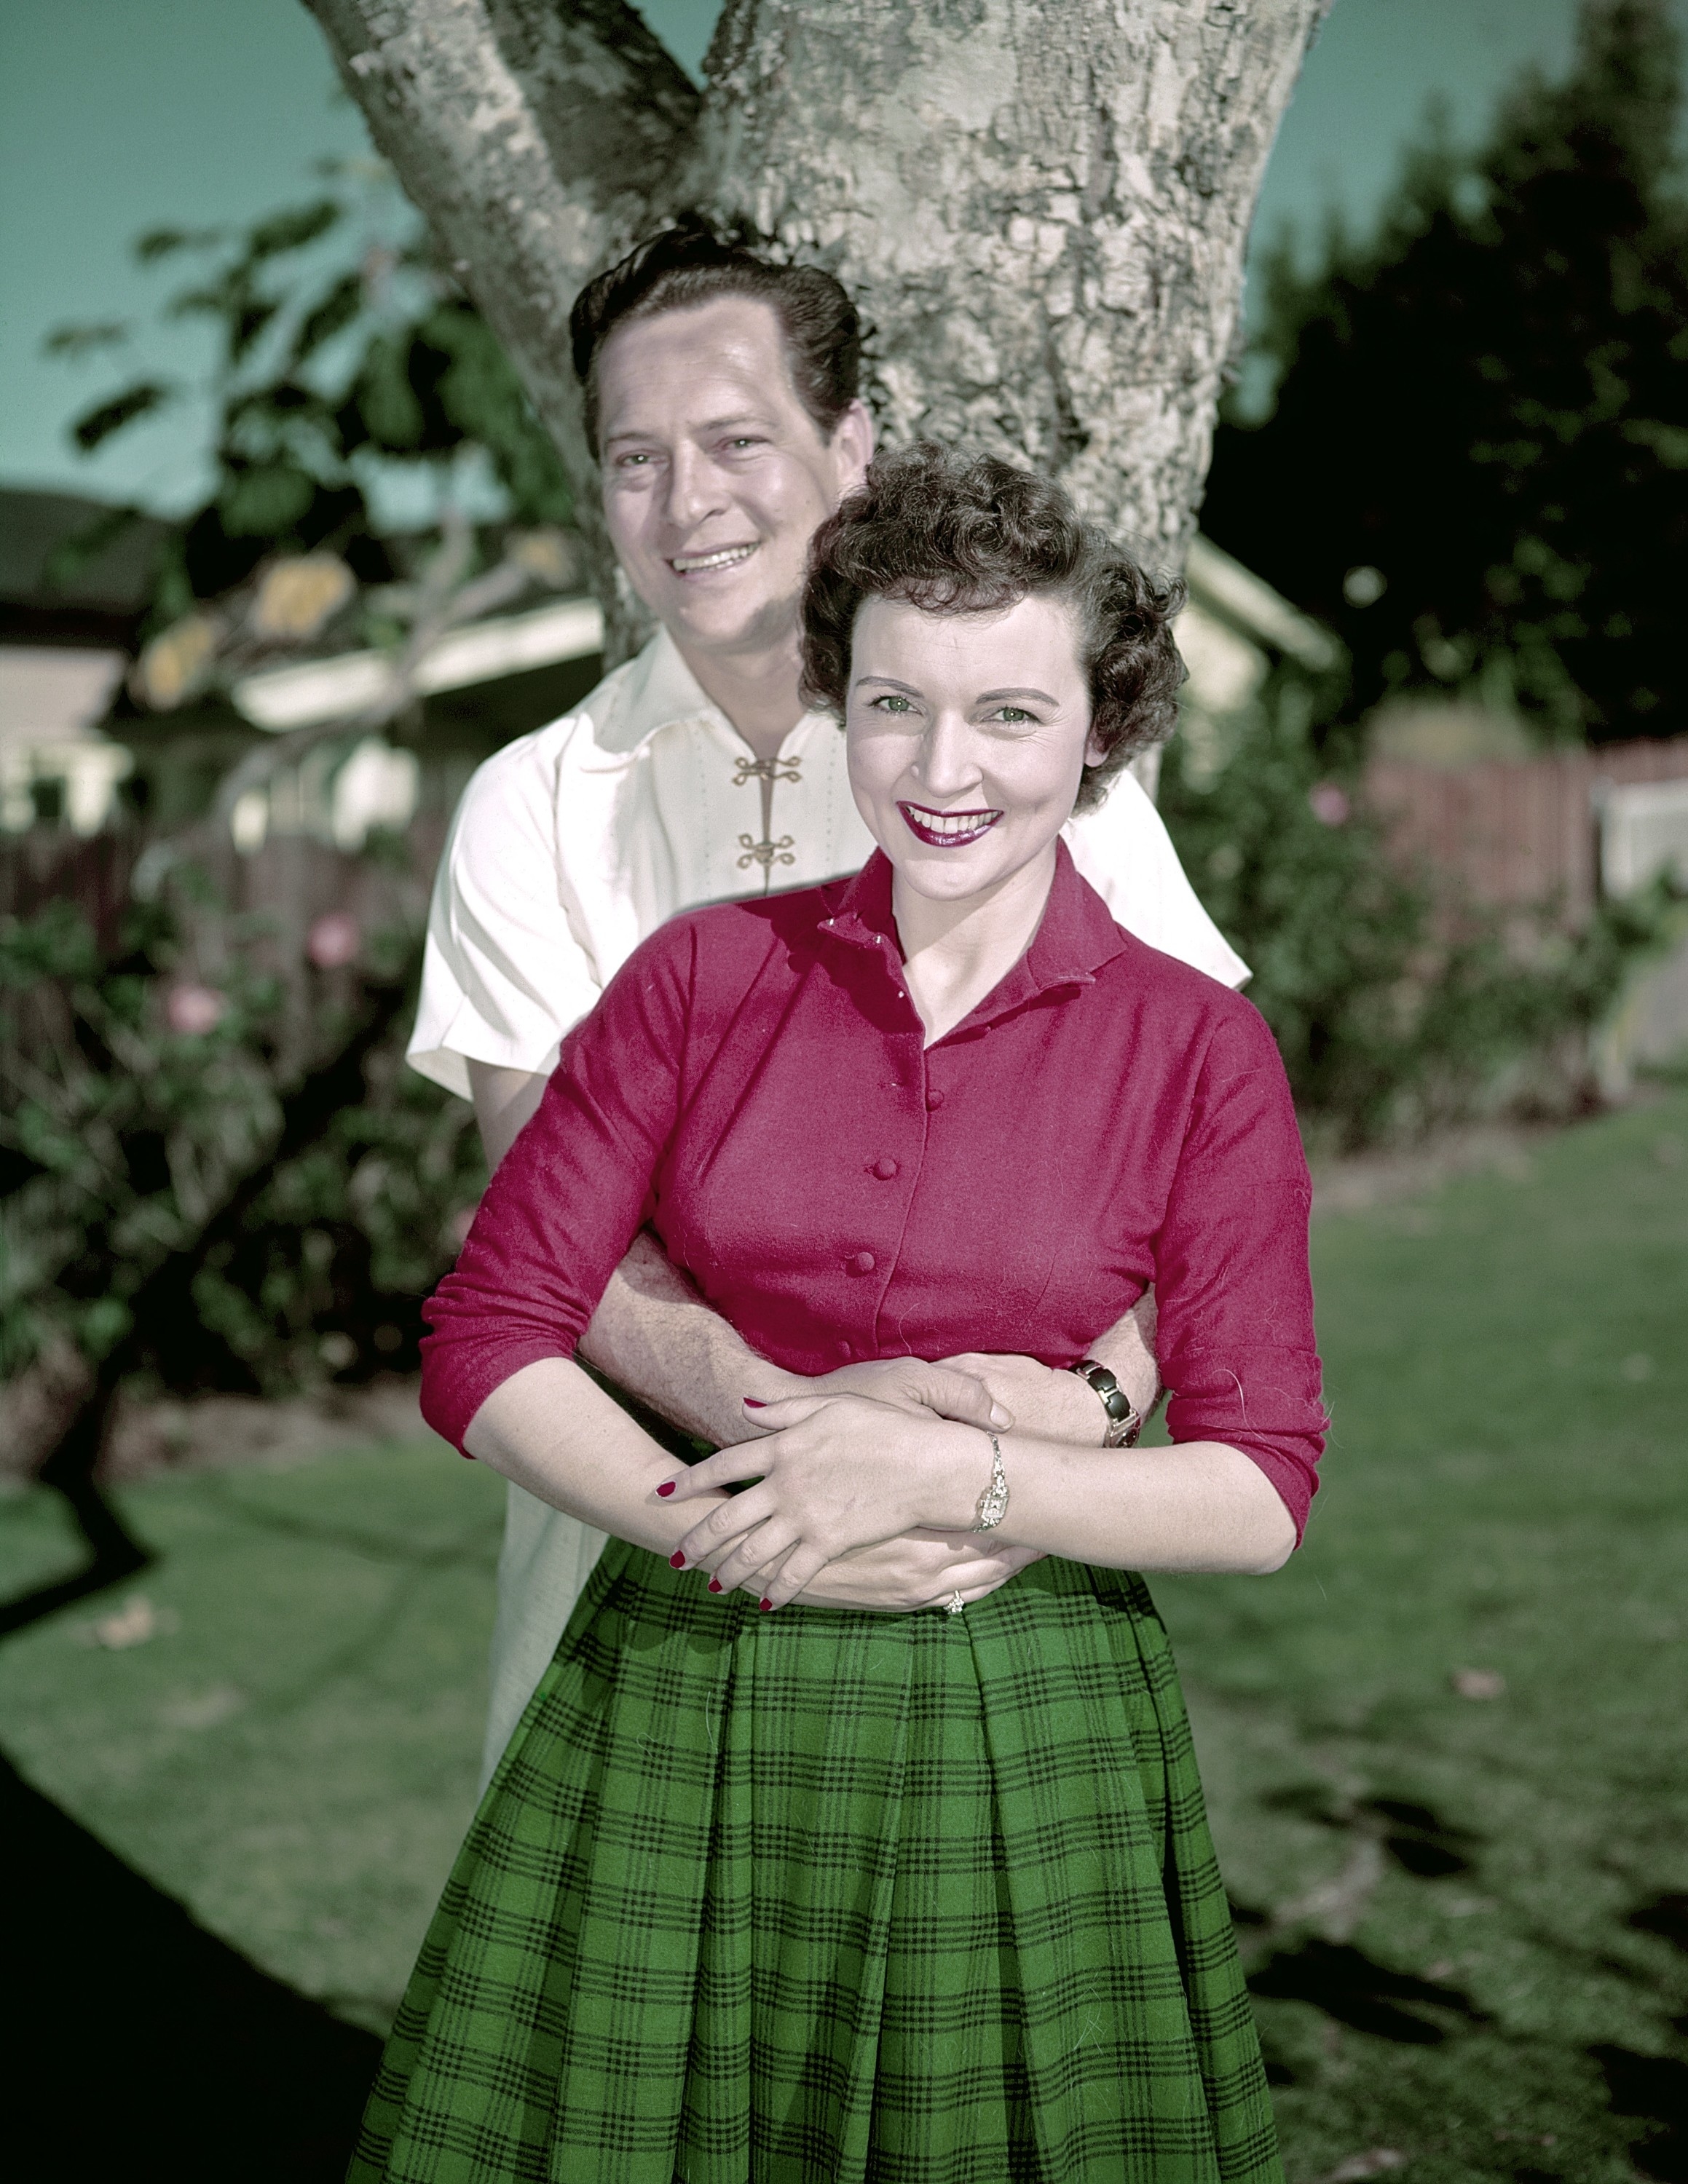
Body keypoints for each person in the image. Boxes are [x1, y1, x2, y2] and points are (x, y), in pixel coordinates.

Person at [354, 445, 1322, 2183]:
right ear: (840, 708)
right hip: (682, 1689)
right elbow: (488, 1334)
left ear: (1099, 728)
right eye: (895, 706)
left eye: (1010, 715)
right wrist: (736, 1520)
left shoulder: (1200, 1048)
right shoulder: (703, 978)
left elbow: (1258, 1491)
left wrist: (942, 1483)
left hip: (1015, 1716)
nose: (946, 773)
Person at [406, 224, 1253, 1781]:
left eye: (736, 441)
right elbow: (550, 1251)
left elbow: (1206, 1155)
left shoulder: (1006, 759)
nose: (687, 502)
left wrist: (1076, 1404)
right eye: (634, 457)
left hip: (989, 1573)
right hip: (641, 1564)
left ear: (848, 446)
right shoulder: (528, 807)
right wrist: (799, 1448)